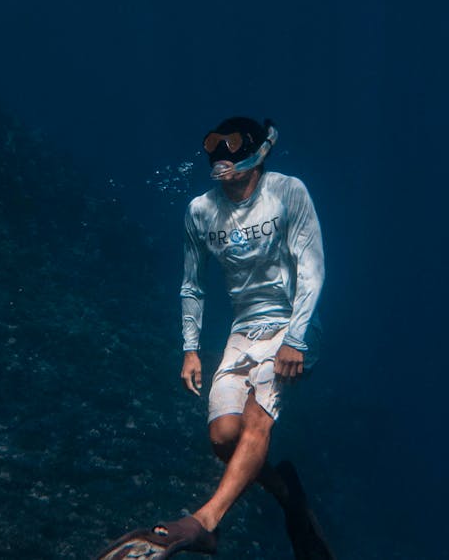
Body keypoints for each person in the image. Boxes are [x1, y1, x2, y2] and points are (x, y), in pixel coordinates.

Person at [98, 117, 333, 559]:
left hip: (292, 326)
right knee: (225, 437)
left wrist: (296, 338)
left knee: (258, 418)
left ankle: (205, 522)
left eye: (232, 146)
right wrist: (190, 348)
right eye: (212, 148)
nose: (220, 156)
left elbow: (312, 267)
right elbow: (192, 285)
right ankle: (288, 494)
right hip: (243, 331)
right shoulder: (200, 211)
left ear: (259, 150)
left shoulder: (288, 191)